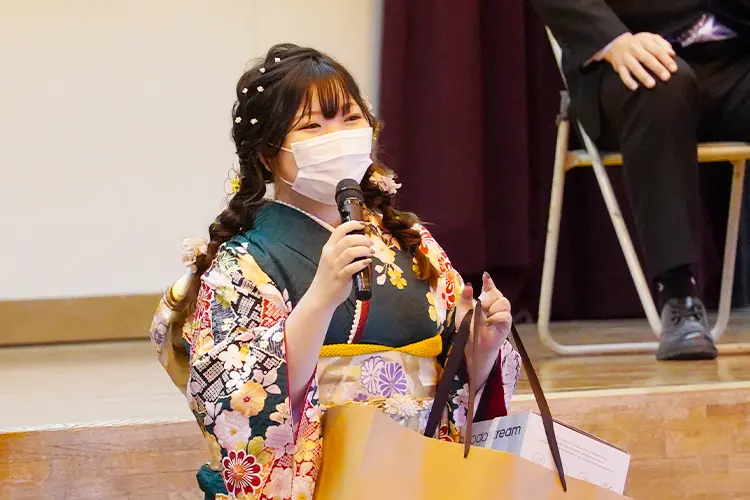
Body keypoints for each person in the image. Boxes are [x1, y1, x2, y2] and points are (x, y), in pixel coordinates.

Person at [149, 43, 521, 500]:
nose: (338, 136)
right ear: (267, 153)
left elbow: (457, 383)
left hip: (420, 474)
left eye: (350, 118)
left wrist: (480, 348)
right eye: (312, 126)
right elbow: (240, 398)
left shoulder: (411, 242)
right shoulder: (242, 263)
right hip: (325, 476)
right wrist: (321, 298)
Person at [529, 0, 750, 360]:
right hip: (627, 60)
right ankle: (679, 298)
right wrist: (614, 40)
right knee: (659, 84)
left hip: (731, 54)